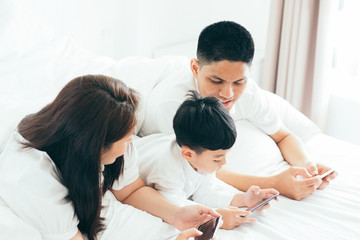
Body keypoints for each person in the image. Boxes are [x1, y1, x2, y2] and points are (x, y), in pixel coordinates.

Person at [0, 75, 220, 240]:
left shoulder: (106, 145)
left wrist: (177, 214)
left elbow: (129, 190)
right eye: (125, 140)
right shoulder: (36, 178)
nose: (131, 144)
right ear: (95, 147)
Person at [138, 21, 337, 201]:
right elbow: (200, 169)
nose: (228, 93)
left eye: (239, 82)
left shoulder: (249, 92)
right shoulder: (175, 107)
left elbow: (283, 135)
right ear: (196, 68)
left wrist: (307, 168)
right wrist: (276, 183)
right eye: (216, 81)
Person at [135, 91, 279, 230]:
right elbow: (175, 207)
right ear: (188, 155)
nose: (224, 164)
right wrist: (217, 217)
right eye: (217, 159)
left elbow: (205, 192)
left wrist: (244, 199)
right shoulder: (167, 168)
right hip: (141, 150)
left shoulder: (200, 160)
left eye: (224, 156)